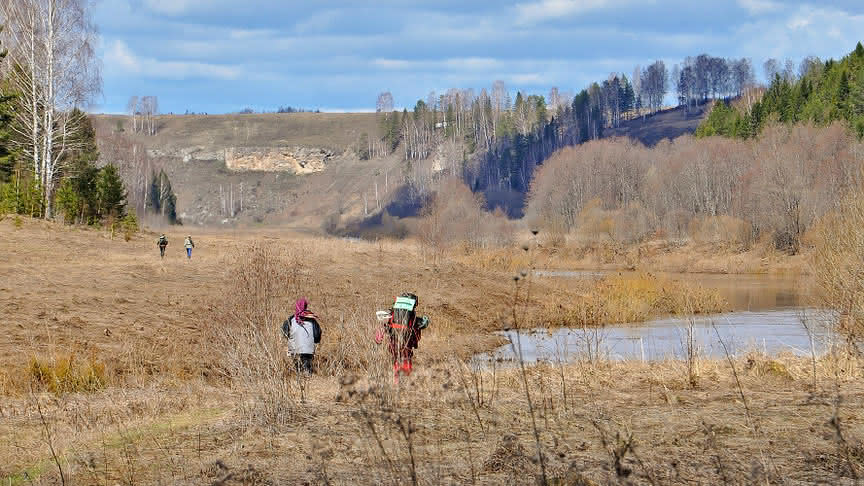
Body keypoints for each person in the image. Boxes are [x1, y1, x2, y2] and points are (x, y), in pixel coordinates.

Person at [376, 293, 430, 380]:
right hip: (406, 343)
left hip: (393, 343)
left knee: (396, 361)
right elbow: (417, 332)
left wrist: (379, 339)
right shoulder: (412, 316)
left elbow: (384, 327)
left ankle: (397, 381)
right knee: (406, 363)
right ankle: (403, 383)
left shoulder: (392, 314)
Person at [282, 298, 322, 374]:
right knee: (307, 368)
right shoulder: (312, 320)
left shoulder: (291, 320)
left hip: (294, 349)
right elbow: (317, 335)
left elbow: (285, 333)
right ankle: (308, 380)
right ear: (305, 306)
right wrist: (315, 341)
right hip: (308, 349)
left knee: (297, 368)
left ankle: (299, 380)